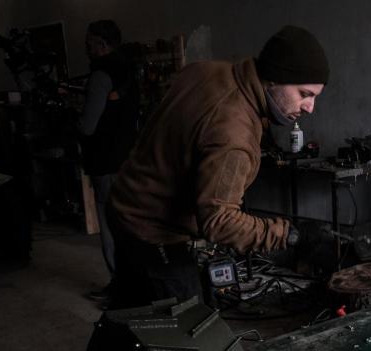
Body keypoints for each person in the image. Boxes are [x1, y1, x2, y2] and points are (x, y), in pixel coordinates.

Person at [107, 25, 328, 307]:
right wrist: (289, 234)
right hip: (153, 231)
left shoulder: (205, 71)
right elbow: (219, 222)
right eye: (304, 94)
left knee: (131, 313)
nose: (310, 107)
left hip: (123, 206)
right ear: (273, 79)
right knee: (188, 337)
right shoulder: (234, 133)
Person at [78, 19, 139, 302]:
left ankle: (120, 287)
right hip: (128, 160)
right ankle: (136, 285)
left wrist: (73, 123)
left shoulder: (101, 74)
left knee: (110, 226)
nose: (86, 46)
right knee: (129, 224)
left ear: (102, 43)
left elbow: (88, 126)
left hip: (105, 162)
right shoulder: (128, 70)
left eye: (90, 41)